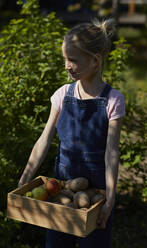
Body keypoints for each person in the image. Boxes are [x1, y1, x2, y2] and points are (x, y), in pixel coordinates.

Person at [18, 18, 125, 248]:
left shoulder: (113, 100)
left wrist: (110, 196)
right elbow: (44, 139)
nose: (66, 65)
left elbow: (112, 152)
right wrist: (26, 176)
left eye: (73, 60)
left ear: (95, 61)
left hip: (95, 194)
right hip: (62, 191)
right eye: (65, 58)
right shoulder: (62, 95)